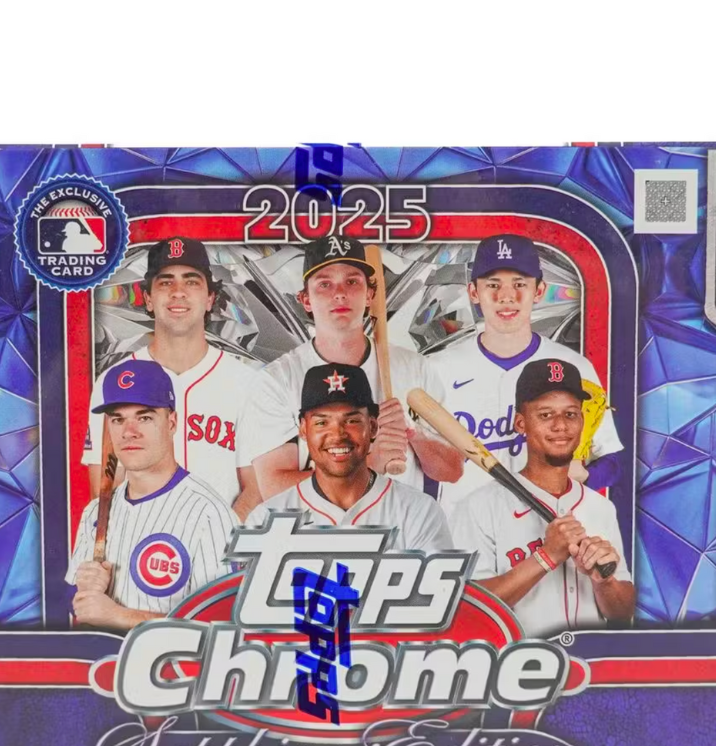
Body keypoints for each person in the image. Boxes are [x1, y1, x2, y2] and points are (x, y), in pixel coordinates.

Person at [237, 235, 462, 499]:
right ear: (305, 299)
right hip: (319, 525)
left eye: (352, 281)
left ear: (370, 295)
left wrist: (414, 433)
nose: (340, 293)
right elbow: (274, 488)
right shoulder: (277, 380)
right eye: (325, 284)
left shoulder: (415, 368)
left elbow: (453, 470)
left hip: (402, 522)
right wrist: (366, 466)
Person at [431, 234, 623, 510]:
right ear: (473, 292)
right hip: (463, 525)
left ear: (539, 290)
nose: (506, 296)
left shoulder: (573, 367)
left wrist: (584, 477)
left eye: (519, 284)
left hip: (544, 527)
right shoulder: (438, 368)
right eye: (493, 284)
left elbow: (613, 460)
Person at [450, 358, 634, 636]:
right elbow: (468, 610)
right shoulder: (478, 508)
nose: (560, 425)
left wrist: (604, 582)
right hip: (517, 660)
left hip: (589, 659)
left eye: (570, 414)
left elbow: (622, 612)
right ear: (521, 423)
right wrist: (546, 557)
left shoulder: (601, 507)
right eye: (545, 415)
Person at [82, 237, 261, 518]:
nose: (178, 292)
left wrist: (219, 537)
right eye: (166, 282)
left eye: (191, 281)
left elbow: (257, 488)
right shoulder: (112, 381)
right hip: (140, 540)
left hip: (222, 541)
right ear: (148, 299)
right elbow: (105, 489)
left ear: (210, 299)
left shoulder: (248, 383)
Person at [68, 360, 236, 630]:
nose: (129, 432)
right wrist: (85, 591)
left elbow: (222, 628)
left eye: (144, 417)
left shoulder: (209, 515)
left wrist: (120, 616)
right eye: (118, 419)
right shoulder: (95, 513)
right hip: (102, 656)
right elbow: (81, 609)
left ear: (172, 422)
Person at [246, 364, 452, 554]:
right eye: (322, 423)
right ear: (303, 429)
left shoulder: (418, 512)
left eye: (352, 420)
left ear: (373, 426)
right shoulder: (266, 521)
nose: (337, 435)